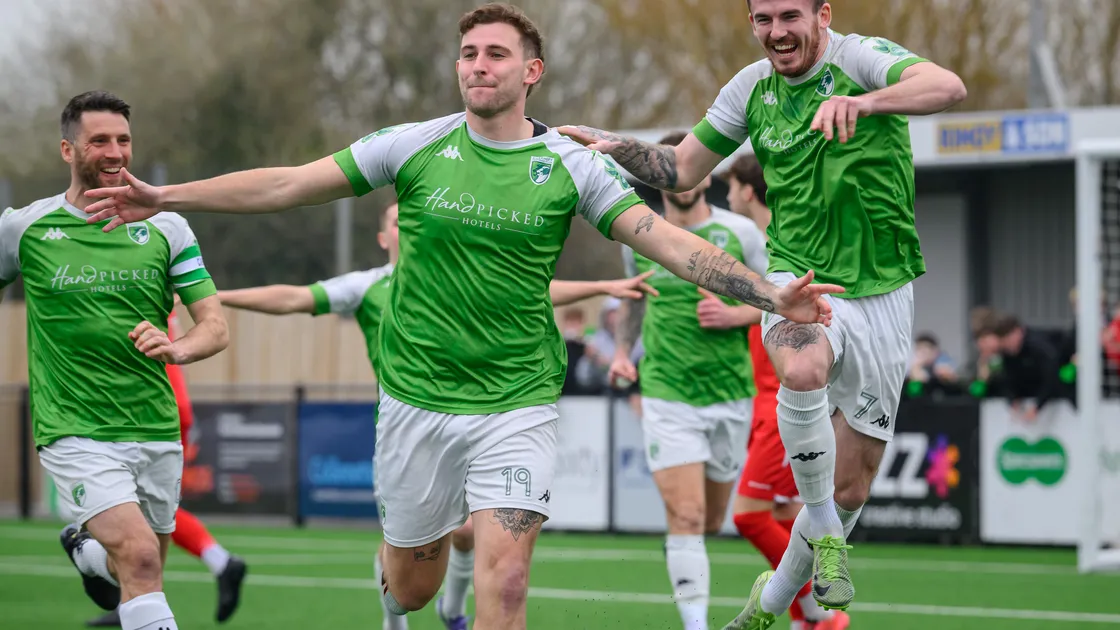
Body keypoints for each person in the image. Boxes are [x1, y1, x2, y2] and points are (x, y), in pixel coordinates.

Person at [79, 4, 840, 628]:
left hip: (518, 402)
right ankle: (397, 587)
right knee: (412, 588)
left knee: (505, 585)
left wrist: (769, 295)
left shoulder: (572, 166)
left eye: (497, 55)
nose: (479, 65)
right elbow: (287, 184)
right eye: (469, 54)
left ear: (531, 72)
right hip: (416, 402)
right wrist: (166, 196)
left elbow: (666, 241)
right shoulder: (413, 145)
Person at [558, 0, 967, 625]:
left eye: (789, 16)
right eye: (763, 19)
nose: (776, 31)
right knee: (801, 370)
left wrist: (866, 103)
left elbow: (947, 86)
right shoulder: (749, 88)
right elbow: (681, 167)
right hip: (798, 276)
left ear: (822, 14)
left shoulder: (859, 58)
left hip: (884, 290)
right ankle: (826, 537)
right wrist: (615, 147)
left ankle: (769, 603)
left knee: (854, 486)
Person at [216, 200, 657, 630]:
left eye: (411, 216)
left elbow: (535, 288)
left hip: (481, 420)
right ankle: (395, 622)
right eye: (396, 221)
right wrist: (214, 296)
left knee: (467, 533)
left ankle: (454, 610)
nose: (405, 225)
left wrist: (602, 287)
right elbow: (294, 297)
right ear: (383, 237)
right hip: (409, 434)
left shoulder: (458, 272)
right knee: (402, 565)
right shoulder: (367, 287)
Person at [0, 90, 229, 630]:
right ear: (68, 150)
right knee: (142, 557)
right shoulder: (24, 229)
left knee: (142, 567)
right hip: (74, 429)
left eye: (123, 139)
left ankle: (88, 554)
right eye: (99, 140)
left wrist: (178, 348)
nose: (114, 152)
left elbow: (215, 327)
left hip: (155, 426)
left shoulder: (167, 226)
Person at [608, 130, 767, 630]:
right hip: (666, 392)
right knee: (688, 518)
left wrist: (734, 315)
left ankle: (681, 548)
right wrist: (622, 353)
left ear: (704, 175)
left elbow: (776, 302)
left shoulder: (741, 233)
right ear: (657, 178)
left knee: (710, 521)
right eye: (668, 170)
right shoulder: (640, 234)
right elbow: (635, 302)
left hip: (729, 391)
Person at [723, 154, 848, 630]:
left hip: (788, 398)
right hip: (767, 392)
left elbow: (795, 306)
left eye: (730, 186)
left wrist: (733, 314)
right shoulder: (767, 238)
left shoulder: (773, 243)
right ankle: (809, 618)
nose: (726, 195)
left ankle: (817, 613)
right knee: (788, 511)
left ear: (747, 190)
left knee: (749, 516)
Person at [85, 307, 248, 628]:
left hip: (151, 408)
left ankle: (219, 562)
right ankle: (133, 598)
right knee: (146, 510)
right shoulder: (150, 286)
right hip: (162, 404)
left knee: (136, 508)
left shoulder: (129, 287)